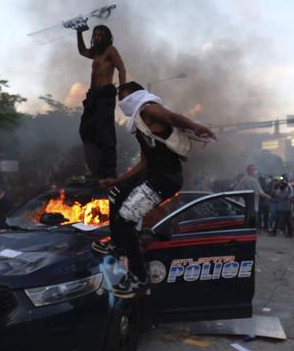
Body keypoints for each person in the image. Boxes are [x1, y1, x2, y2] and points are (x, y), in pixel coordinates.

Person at [92, 81, 216, 298]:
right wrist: (117, 181)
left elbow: (171, 116)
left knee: (127, 218)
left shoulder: (148, 107)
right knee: (116, 195)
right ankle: (118, 243)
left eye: (122, 96)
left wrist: (195, 126)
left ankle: (139, 277)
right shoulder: (141, 123)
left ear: (133, 95)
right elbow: (144, 162)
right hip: (153, 174)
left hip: (165, 179)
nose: (121, 103)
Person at [76, 24, 126, 180]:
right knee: (86, 130)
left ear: (106, 37)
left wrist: (122, 91)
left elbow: (122, 69)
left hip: (105, 95)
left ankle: (109, 172)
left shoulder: (110, 50)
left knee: (105, 133)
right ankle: (96, 169)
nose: (97, 37)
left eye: (100, 34)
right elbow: (82, 51)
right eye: (95, 34)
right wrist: (79, 33)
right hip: (93, 97)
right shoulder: (95, 53)